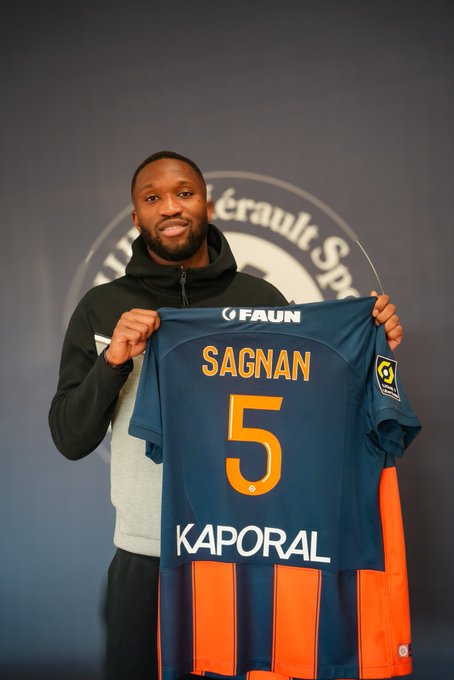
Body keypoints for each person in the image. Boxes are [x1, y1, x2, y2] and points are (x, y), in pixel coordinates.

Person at [49, 151, 403, 680]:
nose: (170, 207)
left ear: (207, 205)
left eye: (184, 193)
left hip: (247, 549)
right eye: (153, 197)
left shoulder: (262, 299)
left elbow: (313, 412)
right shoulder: (102, 308)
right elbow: (69, 437)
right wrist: (113, 362)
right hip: (147, 554)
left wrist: (371, 346)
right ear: (136, 217)